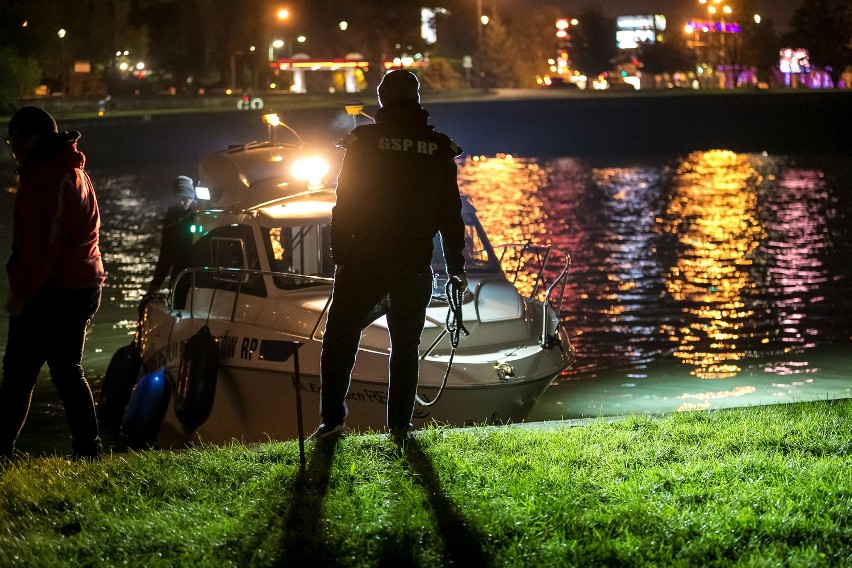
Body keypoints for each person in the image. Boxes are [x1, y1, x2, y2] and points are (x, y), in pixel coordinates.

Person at [315, 69, 468, 442]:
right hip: (414, 265)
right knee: (405, 348)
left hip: (364, 258)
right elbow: (451, 214)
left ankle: (333, 421)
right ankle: (399, 427)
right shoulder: (438, 147)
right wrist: (455, 270)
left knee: (339, 342)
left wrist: (341, 254)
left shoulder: (364, 143)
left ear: (382, 99)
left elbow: (344, 204)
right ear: (417, 99)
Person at [1, 106, 105, 460]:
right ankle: (88, 450)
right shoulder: (72, 170)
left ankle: (3, 449)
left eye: (22, 139)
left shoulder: (46, 177)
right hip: (82, 283)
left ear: (40, 139)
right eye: (11, 139)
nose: (15, 147)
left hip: (56, 289)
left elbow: (42, 245)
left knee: (19, 372)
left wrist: (22, 293)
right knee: (65, 369)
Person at [145, 175, 197, 308]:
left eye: (188, 198)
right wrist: (156, 283)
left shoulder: (199, 214)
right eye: (181, 198)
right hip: (180, 275)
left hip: (196, 275)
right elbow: (166, 253)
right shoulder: (172, 219)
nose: (184, 202)